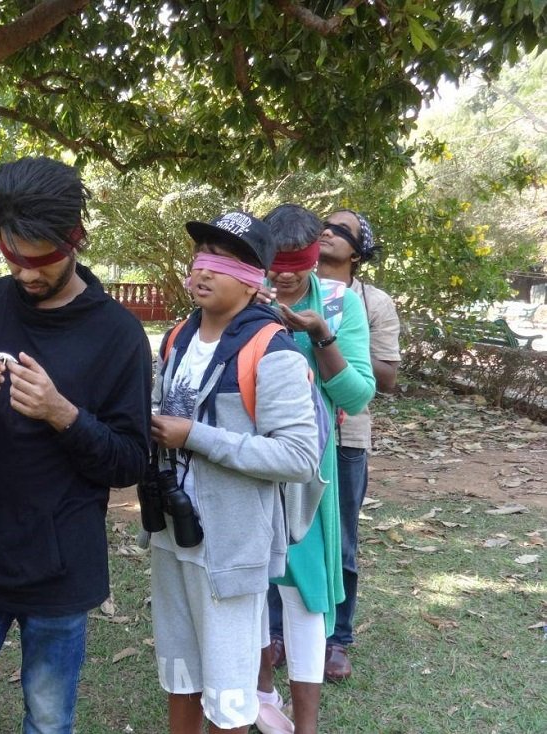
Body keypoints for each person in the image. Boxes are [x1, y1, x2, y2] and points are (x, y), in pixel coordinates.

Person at [0, 156, 151, 734]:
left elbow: (128, 461)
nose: (25, 274)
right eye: (12, 255)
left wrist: (62, 414)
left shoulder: (117, 334)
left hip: (61, 567)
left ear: (76, 239)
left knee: (48, 723)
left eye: (41, 259)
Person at [148, 211, 319, 734]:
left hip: (231, 547)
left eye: (221, 261)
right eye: (200, 257)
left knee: (228, 694)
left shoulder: (271, 349)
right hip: (172, 534)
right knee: (180, 674)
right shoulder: (178, 336)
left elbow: (297, 456)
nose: (203, 270)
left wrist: (193, 436)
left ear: (252, 279)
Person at [257, 204, 375, 734]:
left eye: (296, 262)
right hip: (247, 468)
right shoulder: (242, 291)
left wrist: (320, 334)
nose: (283, 274)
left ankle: (304, 722)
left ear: (313, 257)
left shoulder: (336, 301)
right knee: (249, 587)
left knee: (305, 592)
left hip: (307, 474)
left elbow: (356, 393)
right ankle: (260, 695)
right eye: (274, 262)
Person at [317, 209, 401, 681]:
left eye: (342, 231)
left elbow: (386, 377)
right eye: (323, 226)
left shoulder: (373, 302)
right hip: (291, 431)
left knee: (341, 536)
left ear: (358, 251)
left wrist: (337, 333)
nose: (327, 232)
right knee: (285, 534)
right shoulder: (292, 286)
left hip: (348, 436)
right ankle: (280, 631)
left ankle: (337, 639)